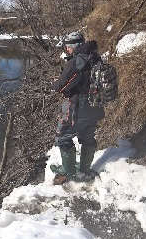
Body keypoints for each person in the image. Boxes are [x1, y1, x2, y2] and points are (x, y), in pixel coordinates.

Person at [50, 32, 104, 184]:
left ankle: (70, 174)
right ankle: (85, 170)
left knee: (63, 138)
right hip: (95, 105)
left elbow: (61, 87)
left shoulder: (76, 62)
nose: (66, 50)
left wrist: (55, 83)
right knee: (88, 137)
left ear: (73, 47)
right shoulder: (95, 57)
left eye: (67, 47)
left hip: (77, 107)